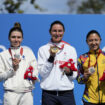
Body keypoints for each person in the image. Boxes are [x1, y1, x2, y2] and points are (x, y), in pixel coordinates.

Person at [38, 20, 77, 105]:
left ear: (64, 32)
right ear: (50, 32)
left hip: (67, 94)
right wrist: (51, 58)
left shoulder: (71, 49)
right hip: (49, 95)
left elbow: (74, 76)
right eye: (54, 31)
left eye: (60, 31)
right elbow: (42, 73)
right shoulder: (43, 49)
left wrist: (69, 72)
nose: (57, 33)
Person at [0, 22, 38, 105]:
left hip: (27, 93)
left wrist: (33, 76)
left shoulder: (29, 52)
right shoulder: (3, 55)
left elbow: (35, 70)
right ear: (9, 38)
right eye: (13, 37)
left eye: (18, 37)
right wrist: (12, 70)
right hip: (10, 94)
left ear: (22, 39)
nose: (16, 40)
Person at [77, 30, 105, 105]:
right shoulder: (82, 58)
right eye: (90, 40)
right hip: (89, 100)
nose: (93, 43)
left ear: (100, 40)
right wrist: (84, 78)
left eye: (96, 40)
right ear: (87, 41)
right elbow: (78, 79)